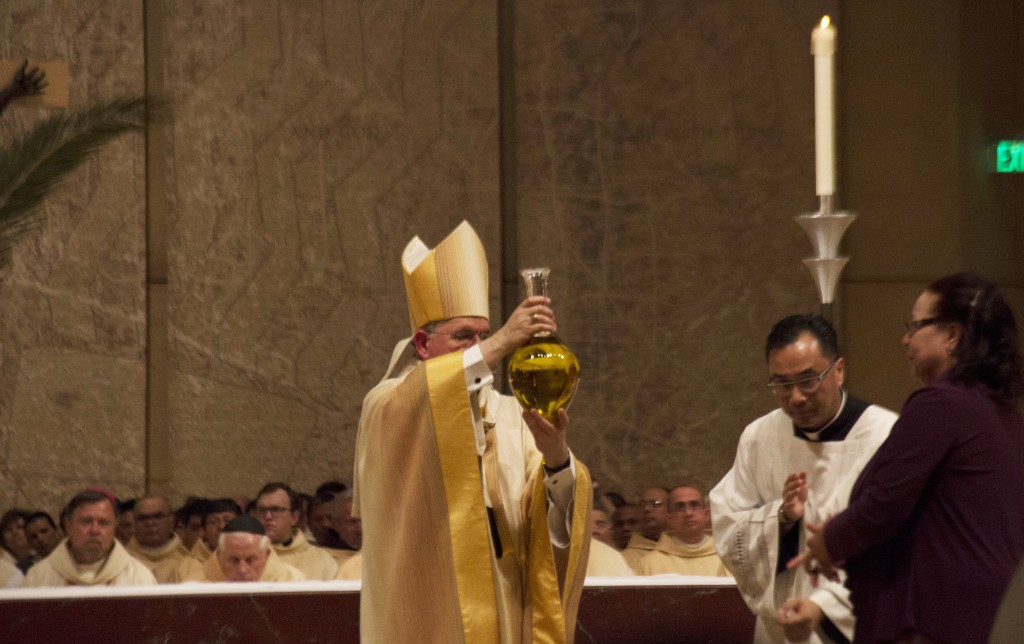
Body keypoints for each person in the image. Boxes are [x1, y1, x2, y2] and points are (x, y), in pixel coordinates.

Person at [353, 221, 591, 643]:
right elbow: (426, 395)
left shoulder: (511, 412)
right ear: (423, 345)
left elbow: (554, 522)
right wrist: (503, 340)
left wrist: (557, 458)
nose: (480, 347)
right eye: (463, 336)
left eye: (482, 335)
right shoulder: (389, 403)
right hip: (429, 614)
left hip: (506, 610)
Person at [790, 273, 1024, 644]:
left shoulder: (941, 404)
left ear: (952, 334)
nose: (905, 339)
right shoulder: (1002, 413)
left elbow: (883, 505)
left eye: (915, 326)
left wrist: (828, 541)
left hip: (937, 616)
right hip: (993, 613)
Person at [710, 313, 897, 643]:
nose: (795, 397)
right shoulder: (760, 437)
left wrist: (824, 605)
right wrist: (782, 519)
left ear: (838, 370)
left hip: (857, 626)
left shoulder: (886, 436)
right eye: (781, 384)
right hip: (783, 630)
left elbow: (897, 544)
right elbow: (727, 526)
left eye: (808, 380)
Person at [24, 488, 156, 587]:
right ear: (68, 525)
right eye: (86, 522)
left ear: (115, 528)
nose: (95, 530)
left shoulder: (139, 577)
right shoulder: (38, 576)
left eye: (103, 523)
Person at [178, 515, 305, 583]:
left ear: (266, 554)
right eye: (234, 560)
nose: (242, 570)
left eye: (250, 560)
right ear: (219, 555)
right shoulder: (194, 585)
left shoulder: (293, 581)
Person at [253, 482, 337, 580]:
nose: (268, 516)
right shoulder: (244, 558)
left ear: (294, 517)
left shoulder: (323, 560)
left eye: (276, 510)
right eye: (262, 510)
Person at [639, 486, 729, 577]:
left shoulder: (727, 558)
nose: (688, 513)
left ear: (706, 515)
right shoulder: (650, 563)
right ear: (669, 518)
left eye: (694, 505)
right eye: (680, 507)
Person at [173, 498, 241, 582]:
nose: (221, 527)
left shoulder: (251, 562)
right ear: (203, 531)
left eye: (227, 521)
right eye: (214, 522)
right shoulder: (185, 567)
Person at [125, 496, 190, 583]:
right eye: (143, 518)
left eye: (157, 516)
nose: (150, 523)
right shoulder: (121, 561)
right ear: (134, 523)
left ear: (173, 521)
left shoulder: (188, 561)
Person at [621, 487, 668, 572]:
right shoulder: (624, 559)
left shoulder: (684, 550)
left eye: (655, 503)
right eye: (642, 504)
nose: (646, 509)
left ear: (671, 511)